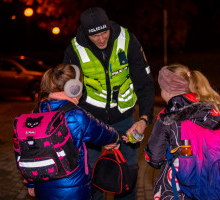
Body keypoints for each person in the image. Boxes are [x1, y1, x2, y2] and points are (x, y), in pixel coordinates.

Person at [63, 7, 155, 200]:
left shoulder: (127, 40)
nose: (101, 39)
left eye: (104, 32)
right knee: (93, 178)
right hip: (91, 121)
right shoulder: (74, 49)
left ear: (110, 27)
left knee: (126, 176)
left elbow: (144, 83)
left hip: (125, 121)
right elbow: (69, 92)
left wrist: (144, 119)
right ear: (86, 33)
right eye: (95, 35)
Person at [141, 64, 220, 199]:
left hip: (178, 188)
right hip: (210, 184)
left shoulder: (167, 117)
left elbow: (154, 159)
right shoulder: (210, 110)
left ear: (168, 90)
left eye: (161, 88)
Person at [26, 64, 120, 200]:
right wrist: (115, 138)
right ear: (74, 88)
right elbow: (103, 133)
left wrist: (30, 183)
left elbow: (27, 152)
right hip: (74, 191)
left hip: (42, 189)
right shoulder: (76, 115)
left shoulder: (35, 114)